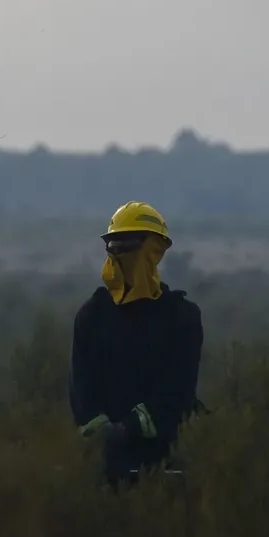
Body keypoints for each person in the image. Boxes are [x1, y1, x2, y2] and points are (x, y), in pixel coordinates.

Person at [68, 201, 204, 487]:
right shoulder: (92, 315)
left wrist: (130, 428)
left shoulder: (181, 317)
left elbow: (178, 391)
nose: (119, 253)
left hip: (163, 459)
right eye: (113, 245)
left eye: (128, 244)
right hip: (101, 461)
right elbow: (80, 387)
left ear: (155, 250)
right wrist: (103, 433)